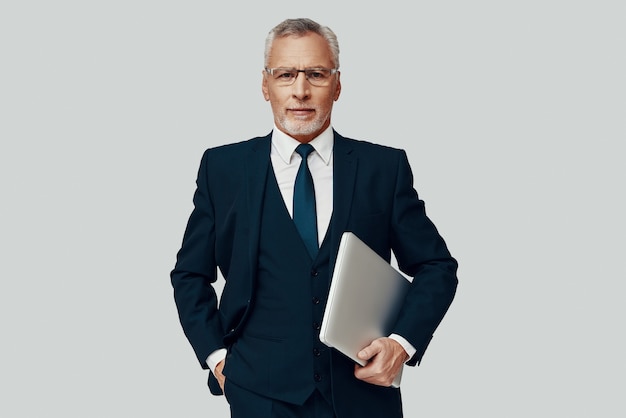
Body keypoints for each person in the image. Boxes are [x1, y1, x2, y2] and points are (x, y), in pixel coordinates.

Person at [170, 17, 458, 418]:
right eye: (286, 74)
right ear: (265, 85)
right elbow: (189, 274)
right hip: (258, 396)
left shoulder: (383, 167)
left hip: (363, 396)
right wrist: (216, 357)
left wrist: (402, 344)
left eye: (316, 74)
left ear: (338, 85)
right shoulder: (223, 168)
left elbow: (437, 267)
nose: (301, 90)